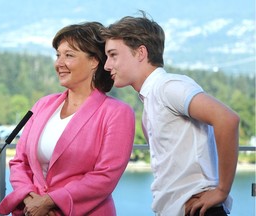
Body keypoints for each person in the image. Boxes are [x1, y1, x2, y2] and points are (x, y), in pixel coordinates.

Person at [101, 12, 240, 216]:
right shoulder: (150, 102)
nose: (107, 65)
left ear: (141, 53)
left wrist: (222, 190)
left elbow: (227, 119)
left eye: (113, 55)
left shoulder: (168, 86)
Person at [0, 22, 135, 216]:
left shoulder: (117, 112)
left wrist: (50, 202)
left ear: (94, 61)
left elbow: (105, 176)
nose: (59, 63)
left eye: (69, 55)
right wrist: (31, 200)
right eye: (58, 55)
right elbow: (20, 162)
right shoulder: (42, 105)